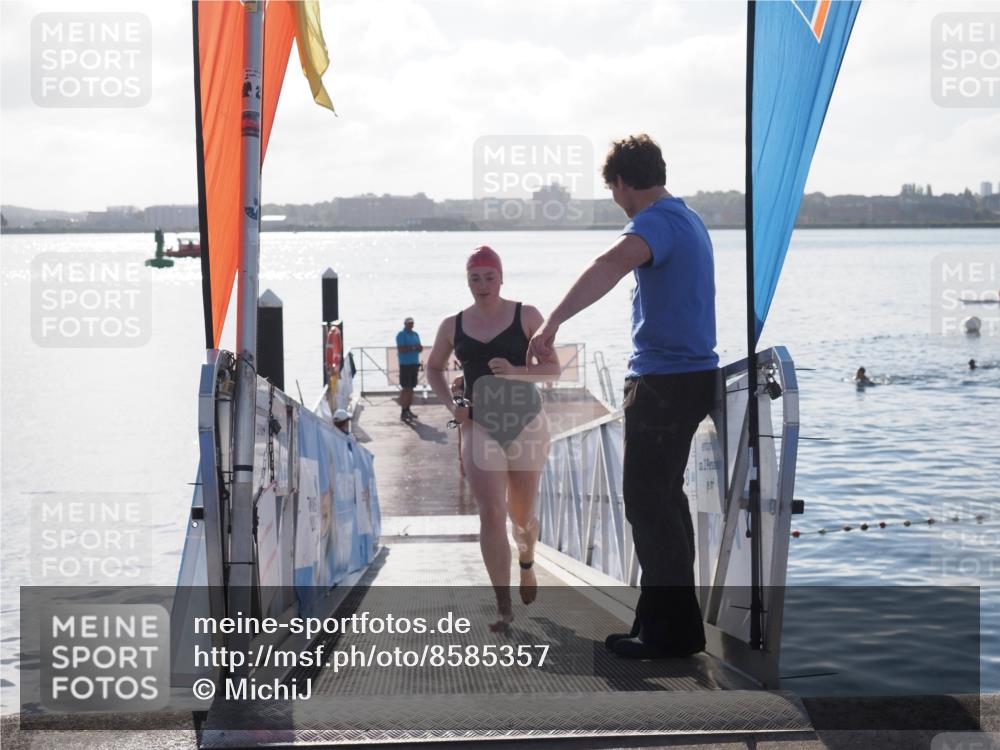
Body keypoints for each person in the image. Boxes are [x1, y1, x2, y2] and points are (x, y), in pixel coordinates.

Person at [528, 134, 718, 659]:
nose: (615, 199)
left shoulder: (655, 222)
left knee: (647, 503)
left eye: (612, 188)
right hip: (692, 375)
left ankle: (671, 634)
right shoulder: (690, 219)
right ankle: (662, 623)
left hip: (663, 382)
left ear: (622, 183)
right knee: (664, 502)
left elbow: (609, 266)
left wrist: (553, 321)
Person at [425, 246, 562, 632]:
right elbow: (433, 367)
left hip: (526, 424)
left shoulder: (527, 315)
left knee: (521, 516)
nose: (482, 285)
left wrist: (516, 370)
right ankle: (503, 604)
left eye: (489, 277)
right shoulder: (453, 325)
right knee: (491, 511)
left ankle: (527, 561)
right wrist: (453, 405)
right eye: (474, 278)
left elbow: (552, 369)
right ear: (466, 281)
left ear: (501, 278)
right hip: (479, 425)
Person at [395, 317, 423, 421]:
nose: (411, 325)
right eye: (409, 323)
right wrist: (413, 348)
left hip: (414, 364)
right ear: (405, 324)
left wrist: (415, 348)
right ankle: (403, 411)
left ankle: (408, 410)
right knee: (405, 388)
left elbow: (420, 347)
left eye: (412, 323)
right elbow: (401, 349)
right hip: (405, 365)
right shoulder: (401, 335)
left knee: (411, 388)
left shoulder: (415, 334)